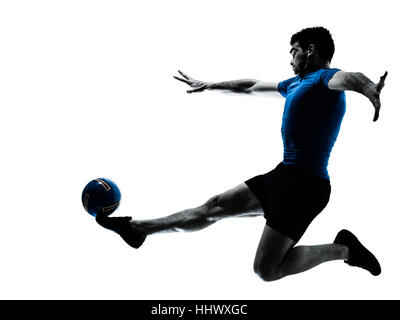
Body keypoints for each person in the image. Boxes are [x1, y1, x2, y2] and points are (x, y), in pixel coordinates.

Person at [96, 27, 387, 281]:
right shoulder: (296, 84)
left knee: (265, 270)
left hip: (306, 189)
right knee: (211, 208)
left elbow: (349, 79)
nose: (290, 58)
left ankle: (345, 249)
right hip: (283, 176)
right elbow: (250, 85)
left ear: (310, 50)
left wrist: (369, 87)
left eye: (294, 51)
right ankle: (136, 229)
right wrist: (209, 84)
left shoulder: (326, 79)